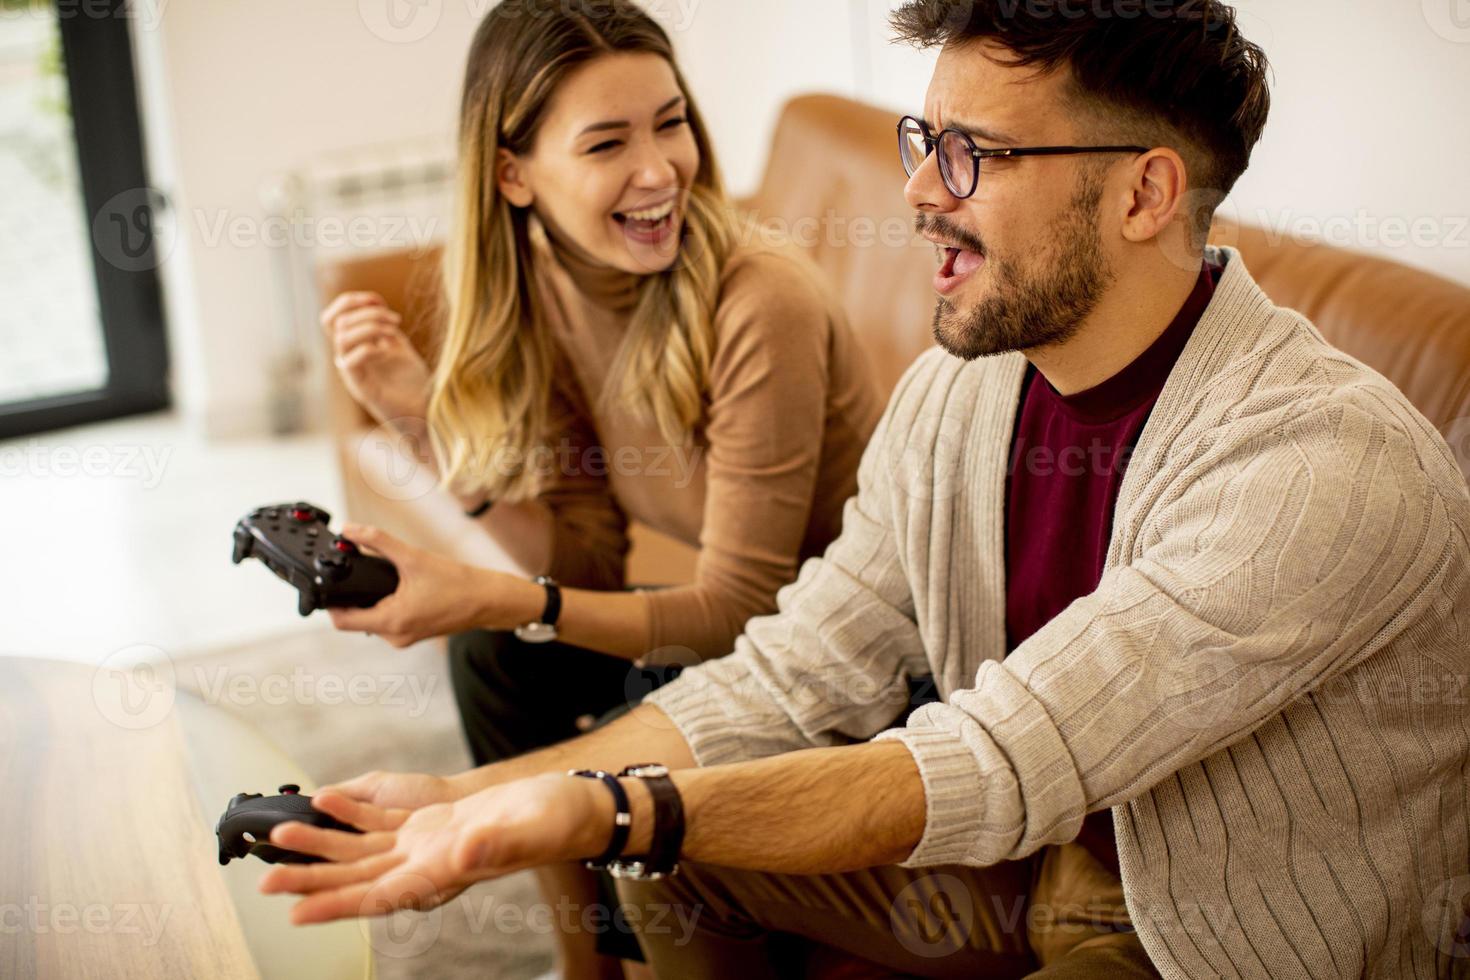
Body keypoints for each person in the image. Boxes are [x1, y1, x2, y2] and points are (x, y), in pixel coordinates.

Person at [265, 2, 1470, 977]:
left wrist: (600, 809)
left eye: (975, 156)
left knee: (650, 819)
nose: (919, 190)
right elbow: (803, 664)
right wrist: (460, 798)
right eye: (924, 139)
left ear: (1145, 194)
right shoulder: (971, 387)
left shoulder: (1317, 467)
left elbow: (994, 756)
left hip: (1205, 926)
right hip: (1037, 839)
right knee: (677, 842)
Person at [316, 1, 882, 976]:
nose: (659, 168)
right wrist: (422, 423)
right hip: (743, 638)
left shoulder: (761, 300)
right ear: (513, 175)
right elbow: (586, 555)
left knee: (534, 639)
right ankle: (591, 958)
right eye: (608, 141)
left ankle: (620, 923)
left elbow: (741, 611)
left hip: (847, 661)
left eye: (672, 122)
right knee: (498, 653)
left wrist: (496, 591)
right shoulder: (547, 282)